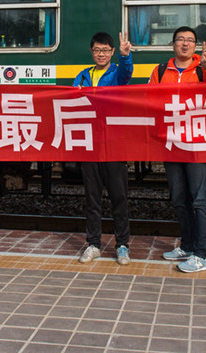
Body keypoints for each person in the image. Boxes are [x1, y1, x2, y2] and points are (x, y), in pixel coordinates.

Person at [148, 26, 206, 273]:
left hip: (198, 143)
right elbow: (149, 100)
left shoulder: (203, 68)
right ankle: (187, 246)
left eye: (190, 40)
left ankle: (202, 255)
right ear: (173, 44)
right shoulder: (159, 70)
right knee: (179, 199)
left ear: (195, 45)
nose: (185, 44)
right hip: (171, 142)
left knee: (200, 199)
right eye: (181, 40)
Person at [72, 32, 133, 265]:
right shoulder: (83, 75)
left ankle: (123, 245)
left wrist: (126, 56)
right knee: (92, 198)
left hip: (114, 144)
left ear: (111, 52)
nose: (101, 54)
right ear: (91, 51)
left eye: (106, 50)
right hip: (90, 144)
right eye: (97, 50)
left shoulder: (117, 72)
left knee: (119, 197)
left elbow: (127, 75)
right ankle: (94, 244)